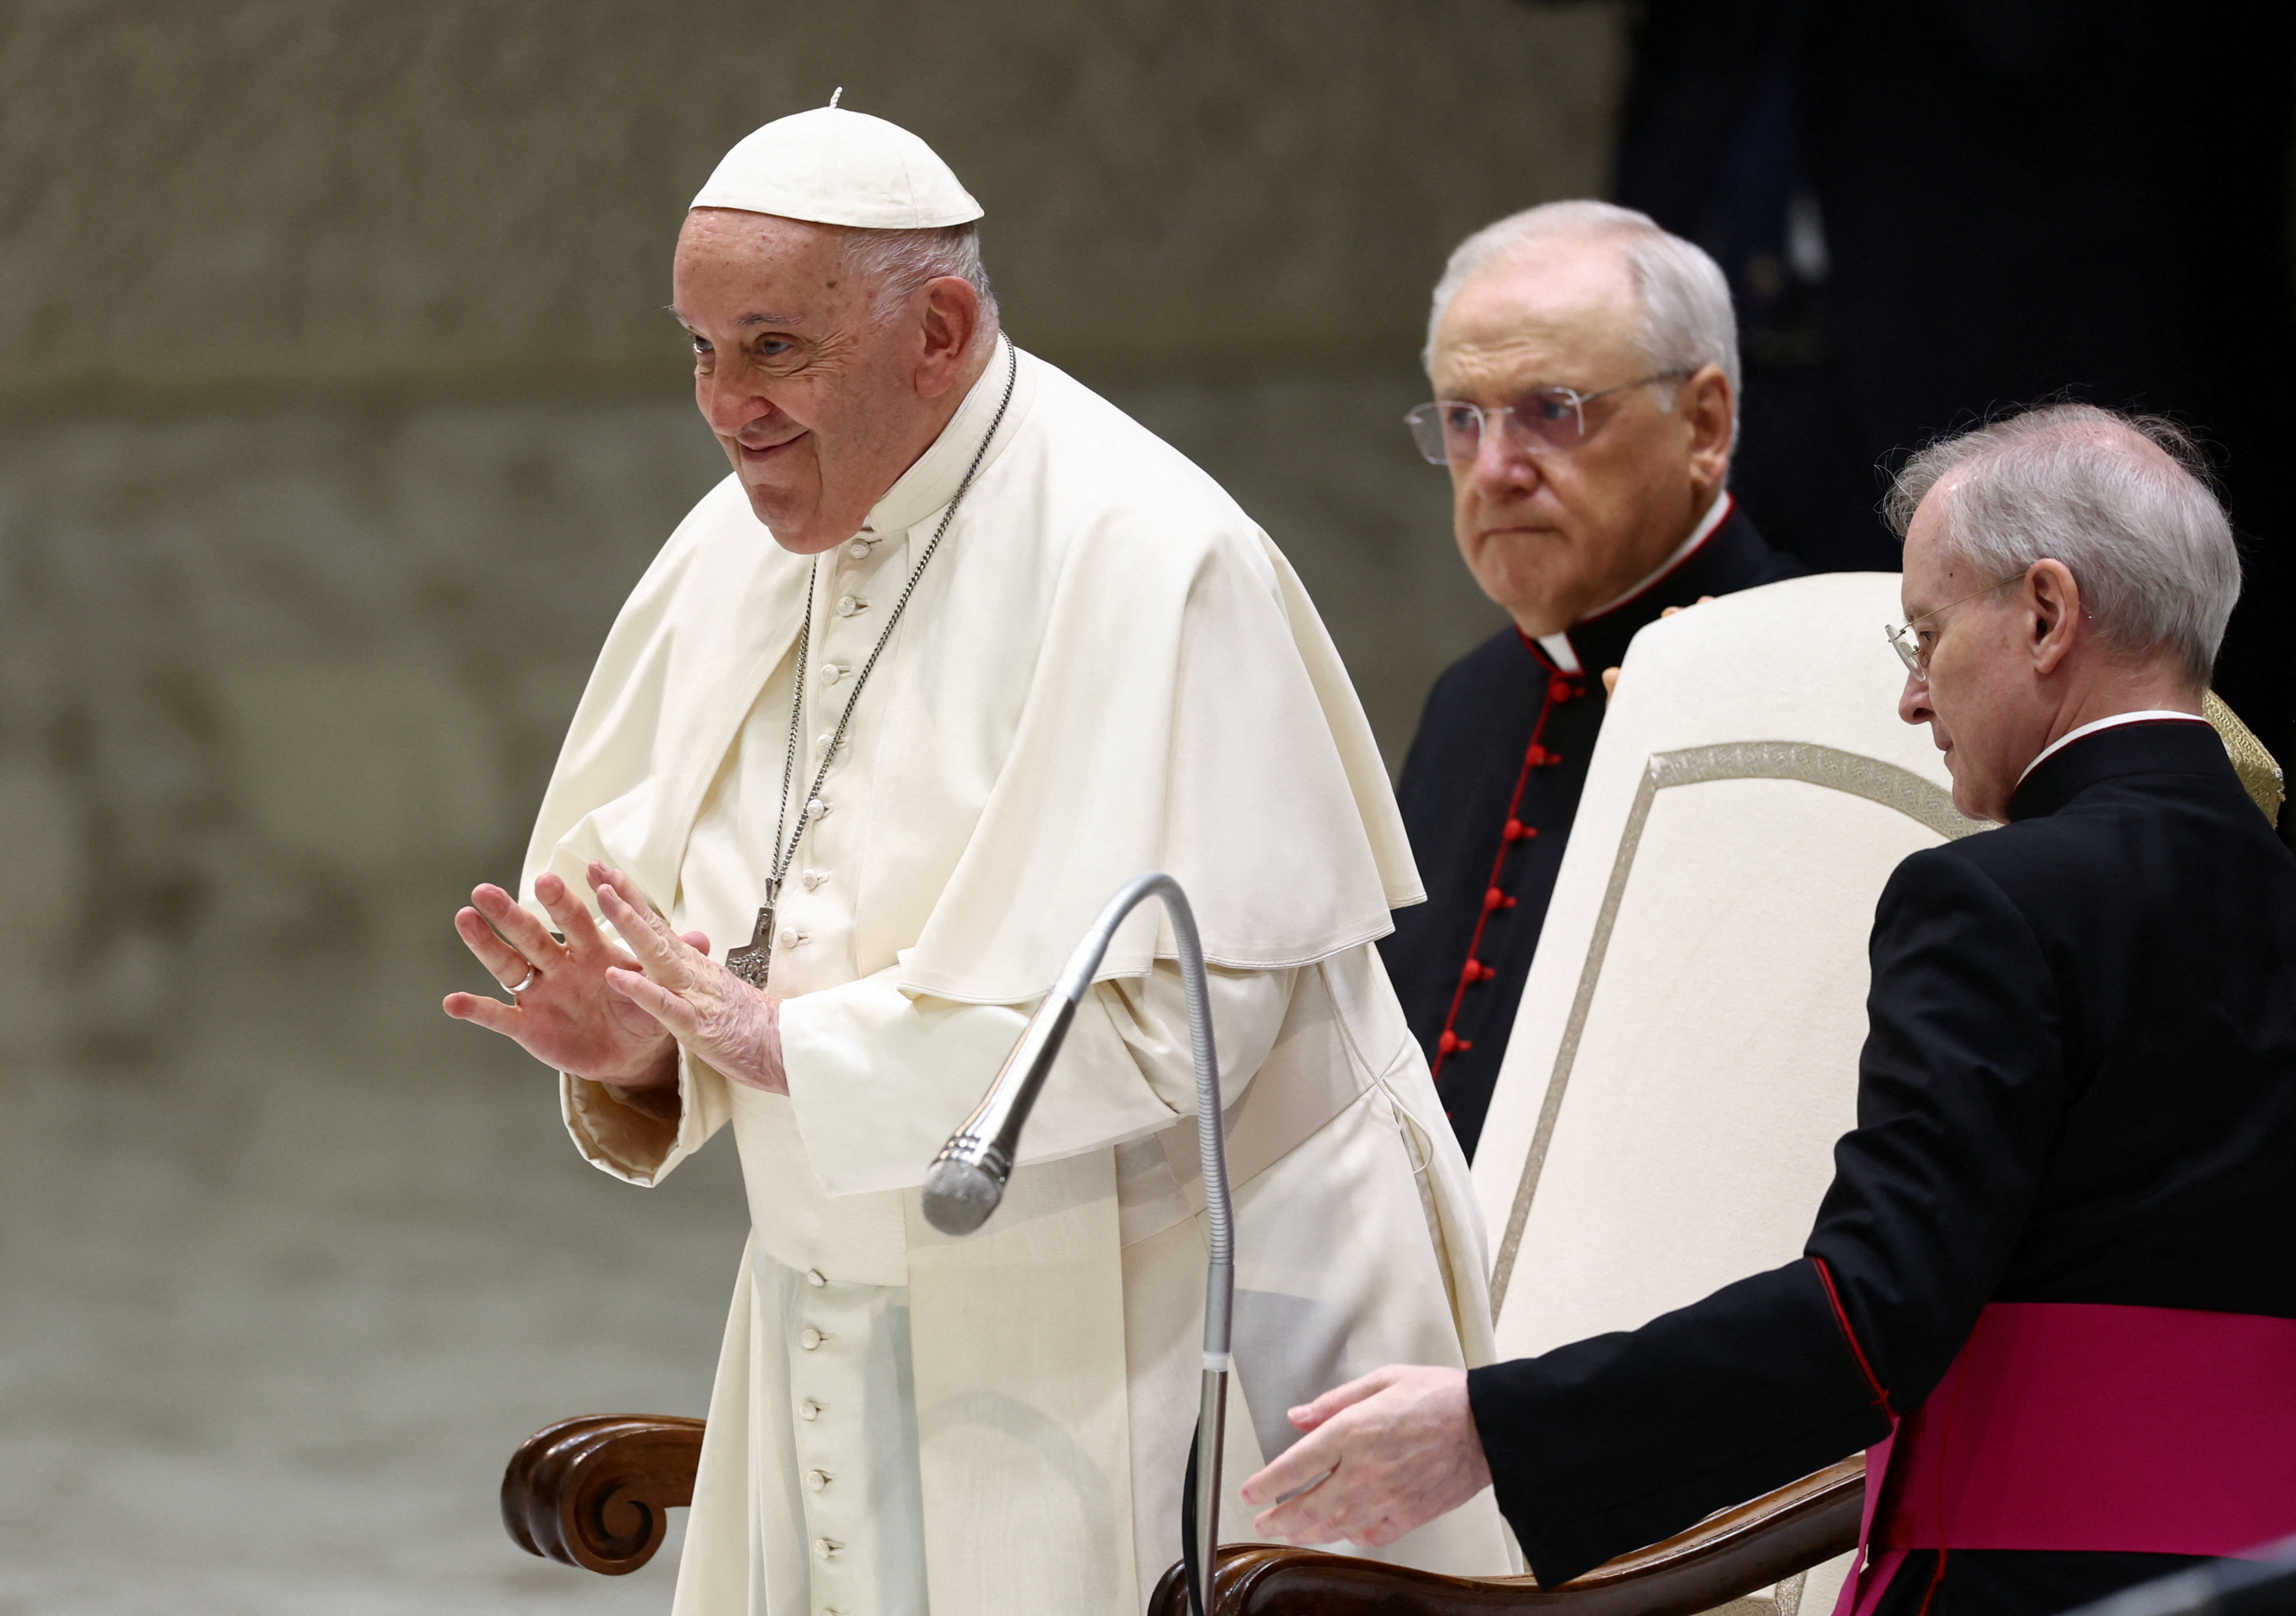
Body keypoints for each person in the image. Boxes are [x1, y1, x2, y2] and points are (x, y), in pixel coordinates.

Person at [441, 100, 1511, 1615]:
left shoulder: (1149, 555)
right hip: (843, 1305)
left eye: (770, 348)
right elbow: (704, 947)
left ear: (937, 328)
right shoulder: (729, 550)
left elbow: (1186, 1032)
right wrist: (644, 1048)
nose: (722, 402)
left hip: (1159, 1301)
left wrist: (780, 1038)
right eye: (698, 347)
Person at [1240, 404, 2296, 1616]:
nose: (1912, 698)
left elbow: (1866, 1317)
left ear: (2047, 615)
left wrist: (1490, 1427)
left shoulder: (1992, 899)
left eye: (1928, 636)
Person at [1381, 201, 1802, 1160]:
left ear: (1703, 422)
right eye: (1461, 419)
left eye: (1549, 412)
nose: (1492, 471)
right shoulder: (1467, 701)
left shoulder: (1819, 676)